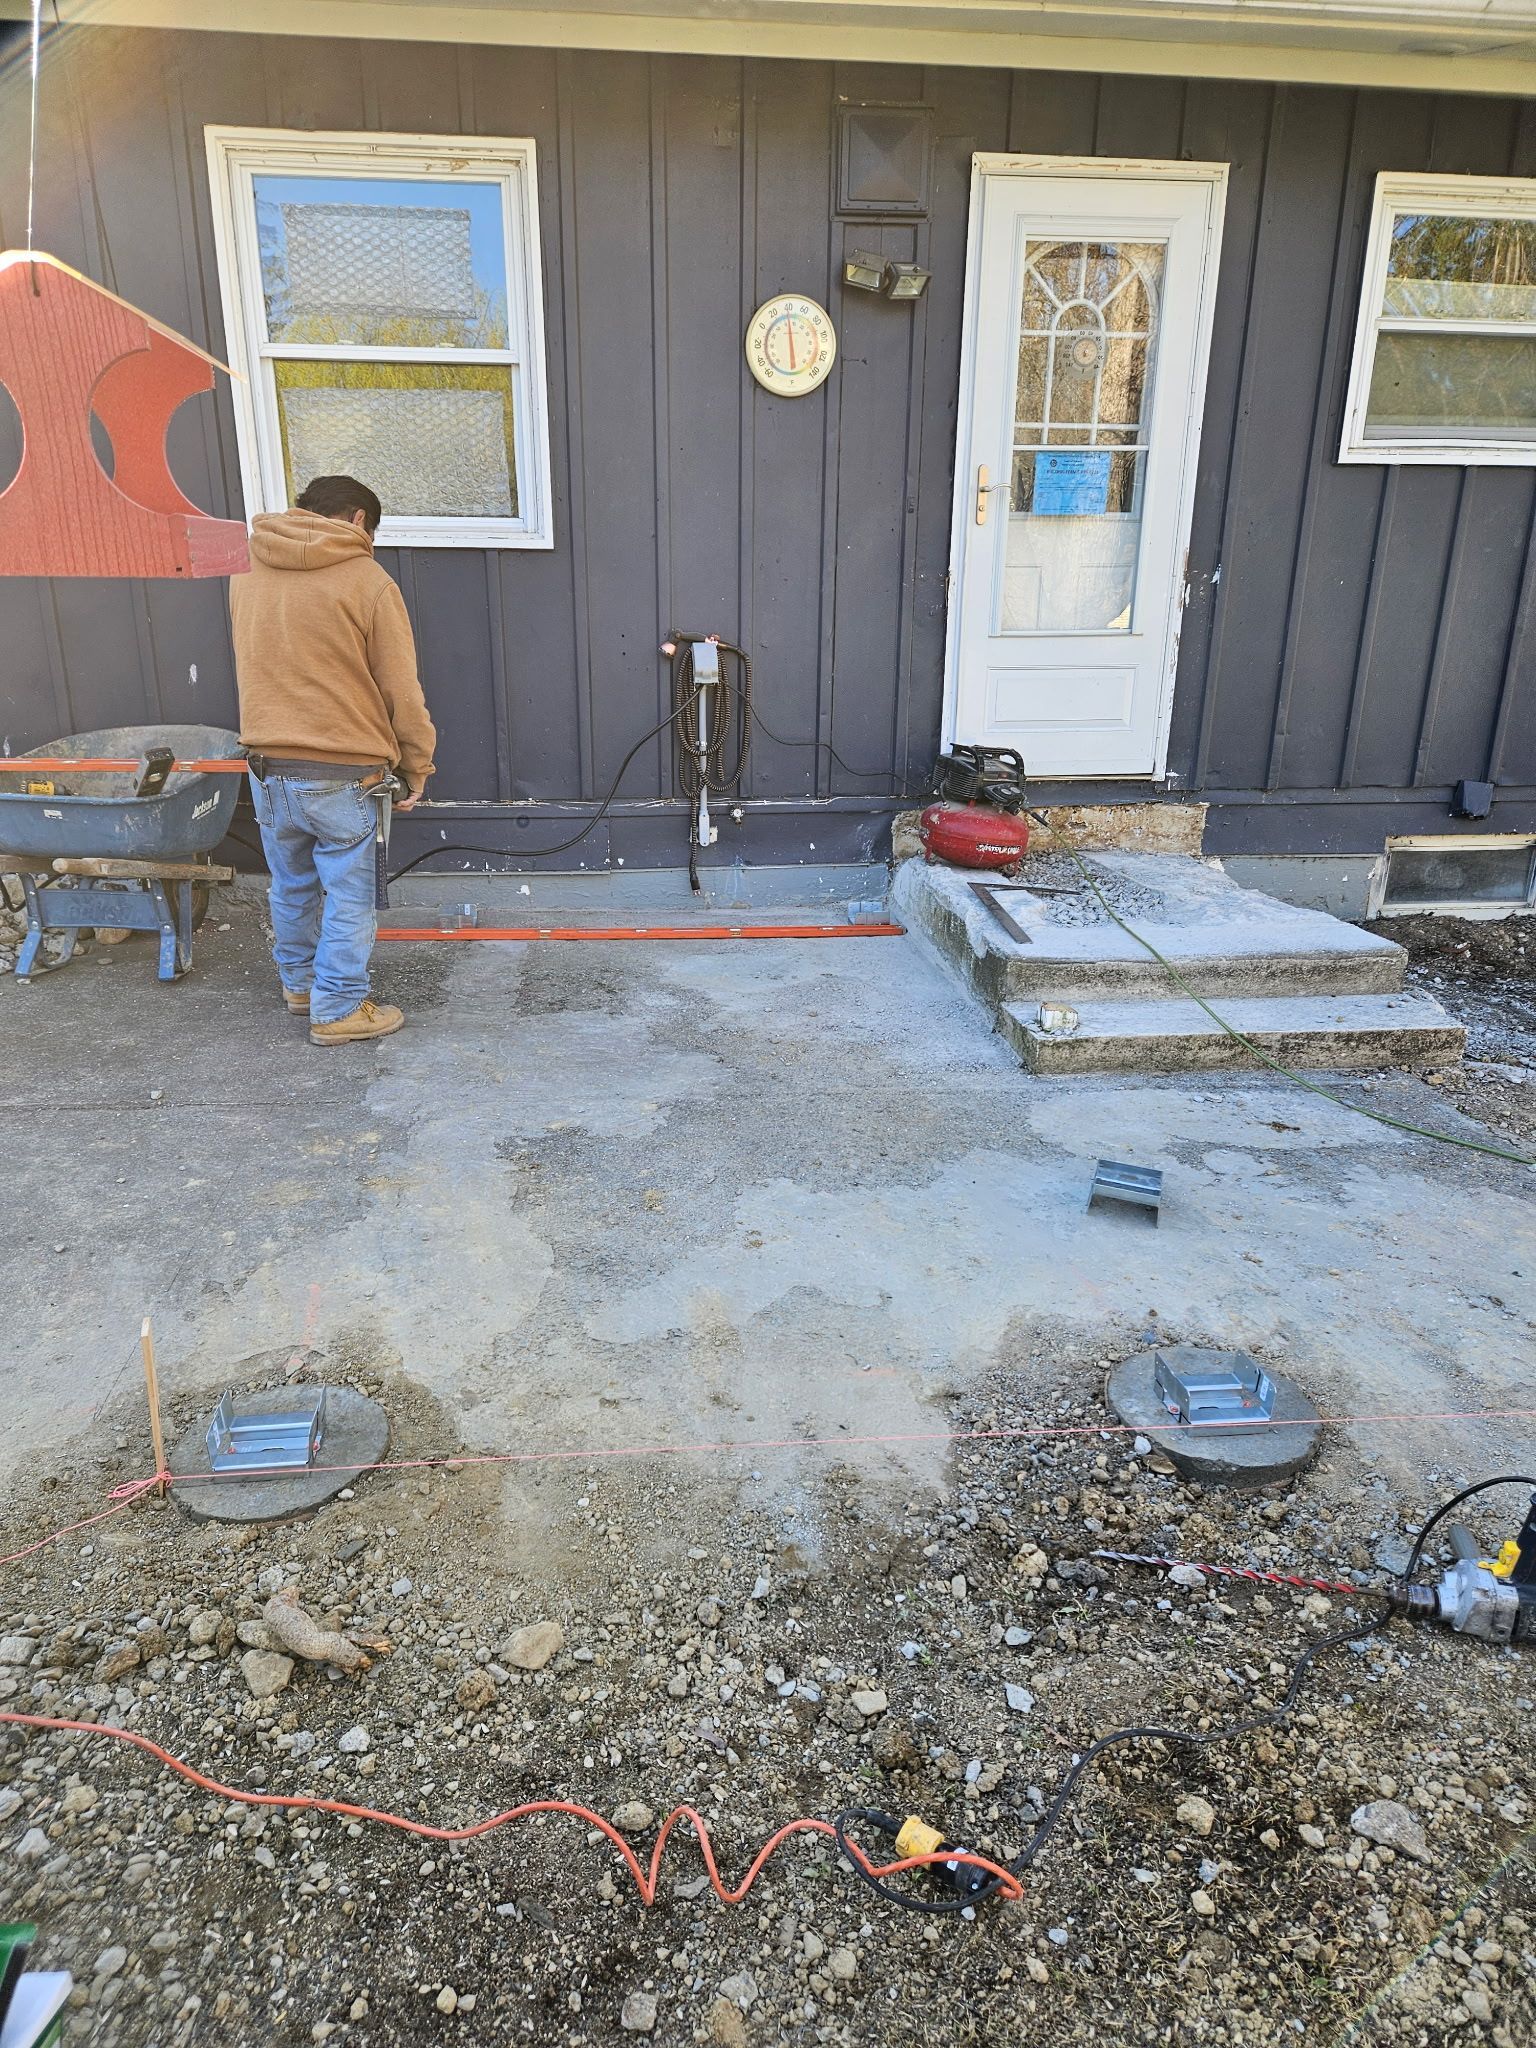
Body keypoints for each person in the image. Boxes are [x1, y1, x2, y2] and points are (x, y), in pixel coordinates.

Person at [229, 474, 436, 1045]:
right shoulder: (367, 579)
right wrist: (417, 765)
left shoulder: (246, 569)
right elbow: (401, 689)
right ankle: (339, 1007)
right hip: (343, 771)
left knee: (290, 883)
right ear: (357, 520)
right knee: (350, 893)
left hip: (267, 763)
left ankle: (300, 987)